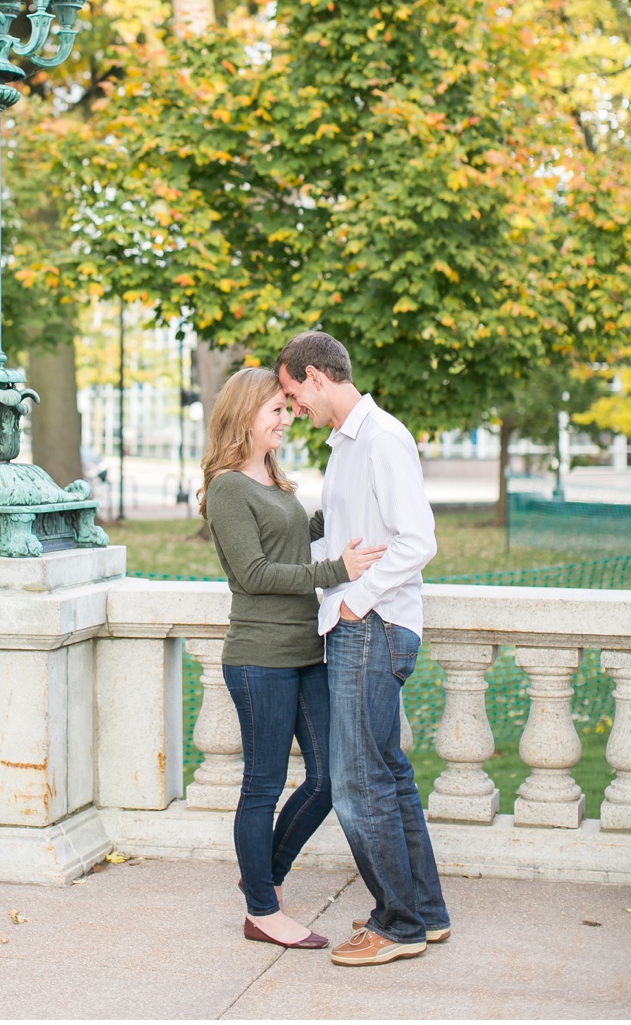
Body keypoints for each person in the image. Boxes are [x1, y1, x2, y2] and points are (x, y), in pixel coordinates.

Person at [278, 330, 449, 968]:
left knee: (356, 785)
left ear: (317, 377)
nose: (294, 408)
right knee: (390, 775)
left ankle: (397, 923)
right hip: (363, 624)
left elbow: (418, 540)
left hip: (371, 626)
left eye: (295, 394)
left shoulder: (380, 439)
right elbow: (345, 542)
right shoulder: (349, 445)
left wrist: (356, 599)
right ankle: (425, 914)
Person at [200, 365, 385, 950]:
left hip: (307, 650)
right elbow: (255, 574)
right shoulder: (229, 487)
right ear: (244, 415)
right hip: (260, 658)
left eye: (288, 408)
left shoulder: (274, 479)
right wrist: (337, 571)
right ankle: (262, 909)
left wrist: (355, 499)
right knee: (263, 783)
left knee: (330, 778)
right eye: (276, 410)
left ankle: (263, 880)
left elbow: (299, 538)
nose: (288, 418)